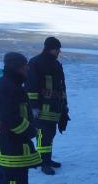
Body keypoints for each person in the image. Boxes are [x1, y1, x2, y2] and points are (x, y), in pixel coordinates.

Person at [0, 53, 42, 184]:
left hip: (8, 139)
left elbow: (0, 113)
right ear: (16, 67)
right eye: (24, 65)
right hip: (11, 141)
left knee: (5, 180)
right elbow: (10, 118)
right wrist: (31, 131)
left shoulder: (8, 83)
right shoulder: (9, 87)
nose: (27, 68)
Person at [27, 37, 70, 175]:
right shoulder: (35, 62)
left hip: (55, 106)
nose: (59, 51)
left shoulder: (56, 64)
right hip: (42, 107)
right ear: (51, 48)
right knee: (43, 135)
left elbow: (62, 86)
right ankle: (43, 163)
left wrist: (64, 106)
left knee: (50, 133)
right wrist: (34, 107)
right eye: (57, 49)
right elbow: (31, 86)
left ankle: (48, 159)